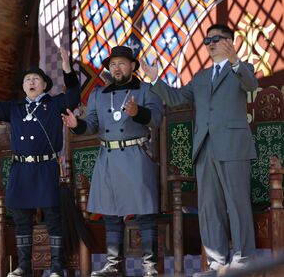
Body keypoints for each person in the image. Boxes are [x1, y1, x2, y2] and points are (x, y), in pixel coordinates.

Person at [144, 24, 257, 276]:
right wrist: (155, 79)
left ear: (230, 41)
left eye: (216, 39)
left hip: (233, 146)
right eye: (207, 40)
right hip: (205, 148)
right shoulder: (201, 78)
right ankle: (216, 262)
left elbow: (251, 86)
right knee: (209, 207)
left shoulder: (242, 68)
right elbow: (175, 98)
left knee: (237, 203)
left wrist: (235, 59)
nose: (211, 44)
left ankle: (244, 257)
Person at [0, 47, 80, 277]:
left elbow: (74, 95)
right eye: (27, 80)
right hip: (21, 169)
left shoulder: (54, 104)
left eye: (36, 79)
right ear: (23, 86)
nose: (31, 82)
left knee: (53, 217)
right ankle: (24, 266)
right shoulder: (15, 108)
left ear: (44, 85)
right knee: (21, 218)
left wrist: (67, 68)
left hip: (46, 168)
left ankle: (56, 266)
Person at [61, 46, 163, 277]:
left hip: (136, 155)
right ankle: (113, 264)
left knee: (145, 211)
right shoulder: (98, 94)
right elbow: (92, 124)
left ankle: (150, 264)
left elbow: (156, 119)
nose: (116, 68)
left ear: (133, 66)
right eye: (113, 64)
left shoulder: (146, 90)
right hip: (107, 157)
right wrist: (77, 124)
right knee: (110, 212)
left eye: (122, 63)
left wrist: (138, 112)